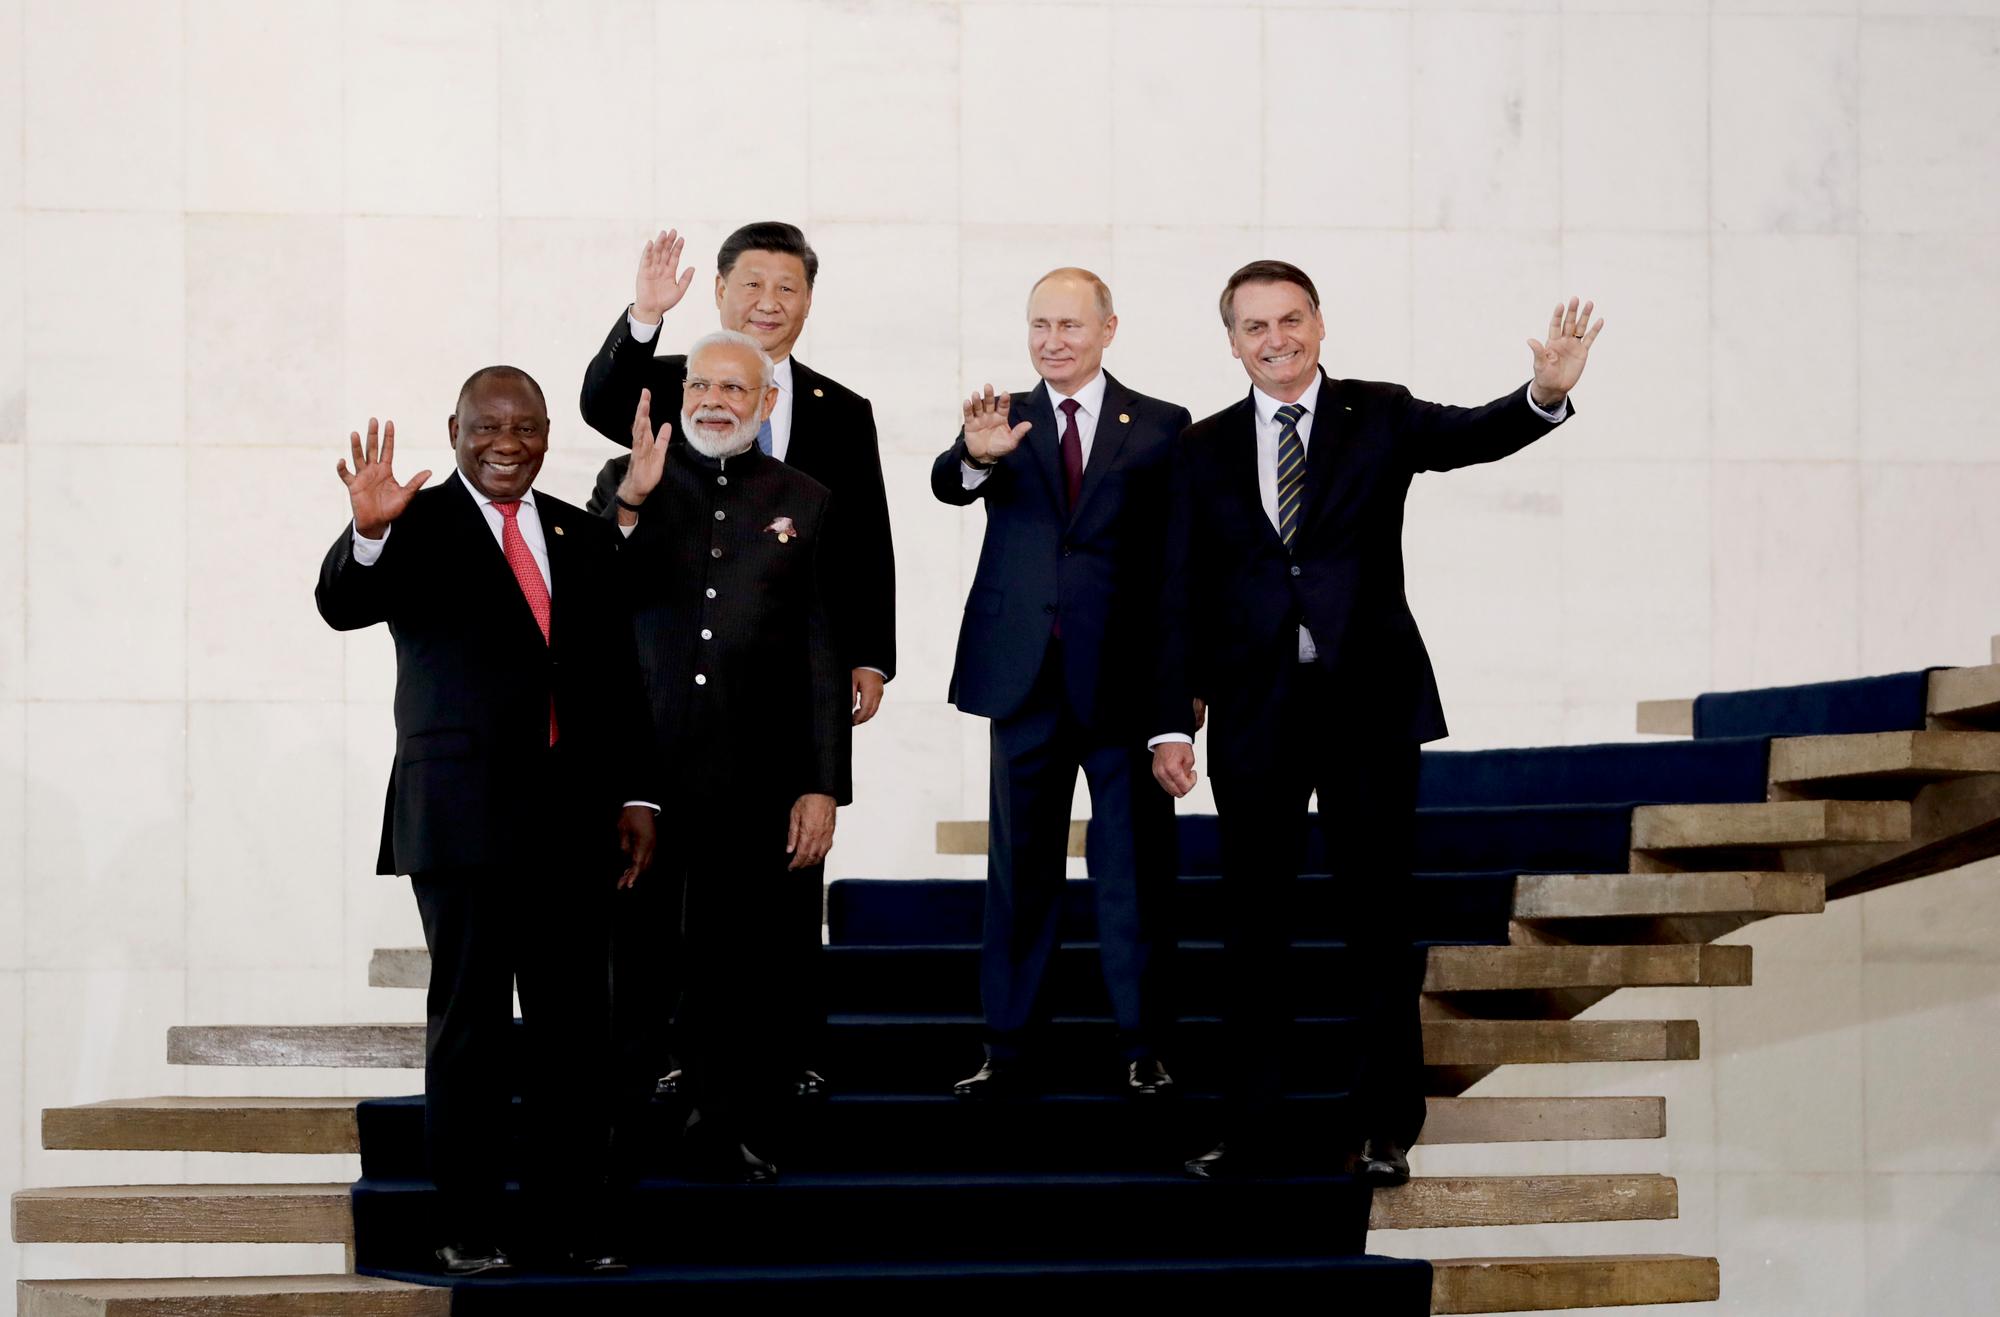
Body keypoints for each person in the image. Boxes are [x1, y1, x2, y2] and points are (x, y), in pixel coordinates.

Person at [1153, 263, 1602, 1184]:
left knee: (1376, 920)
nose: (1275, 339)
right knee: (1254, 928)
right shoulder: (1199, 450)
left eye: (1290, 319)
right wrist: (1172, 718)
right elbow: (1178, 593)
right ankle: (1251, 1128)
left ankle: (1385, 1126)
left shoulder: (1380, 413)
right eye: (1254, 327)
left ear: (1320, 323)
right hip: (1256, 712)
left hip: (1368, 707)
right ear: (1231, 341)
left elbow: (1474, 434)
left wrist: (1543, 395)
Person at [315, 367, 660, 1272]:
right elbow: (342, 604)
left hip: (575, 822)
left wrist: (637, 795)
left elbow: (618, 679)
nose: (506, 442)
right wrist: (367, 529)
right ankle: (467, 1223)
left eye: (525, 427)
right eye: (486, 426)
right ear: (457, 429)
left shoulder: (581, 536)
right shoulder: (412, 523)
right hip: (460, 819)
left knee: (574, 1033)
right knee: (468, 1028)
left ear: (547, 434)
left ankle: (570, 1221)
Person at [582, 222, 890, 1100]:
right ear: (717, 292)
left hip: (769, 731)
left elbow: (859, 556)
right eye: (751, 284)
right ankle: (653, 1072)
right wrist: (644, 315)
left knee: (770, 906)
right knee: (645, 924)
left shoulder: (833, 432)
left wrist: (869, 669)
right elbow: (606, 413)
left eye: (786, 287)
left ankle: (773, 1059)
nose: (768, 301)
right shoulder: (647, 448)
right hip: (654, 735)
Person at [592, 330, 852, 1183]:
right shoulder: (628, 480)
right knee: (633, 959)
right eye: (699, 384)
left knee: (737, 964)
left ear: (765, 403)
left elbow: (821, 651)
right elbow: (591, 597)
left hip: (755, 775)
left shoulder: (806, 498)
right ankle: (618, 1136)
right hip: (642, 773)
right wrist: (629, 504)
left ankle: (724, 1123)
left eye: (733, 389)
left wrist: (822, 783)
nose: (712, 400)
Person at [934, 268, 1190, 1100]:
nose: (1054, 341)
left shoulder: (1159, 425)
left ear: (1109, 328)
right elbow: (948, 480)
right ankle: (1007, 1047)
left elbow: (1173, 571)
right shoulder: (998, 417)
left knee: (1133, 872)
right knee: (1020, 872)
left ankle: (1144, 1042)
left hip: (1123, 685)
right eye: (1040, 325)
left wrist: (1175, 702)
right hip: (1024, 679)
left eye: (1071, 326)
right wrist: (975, 454)